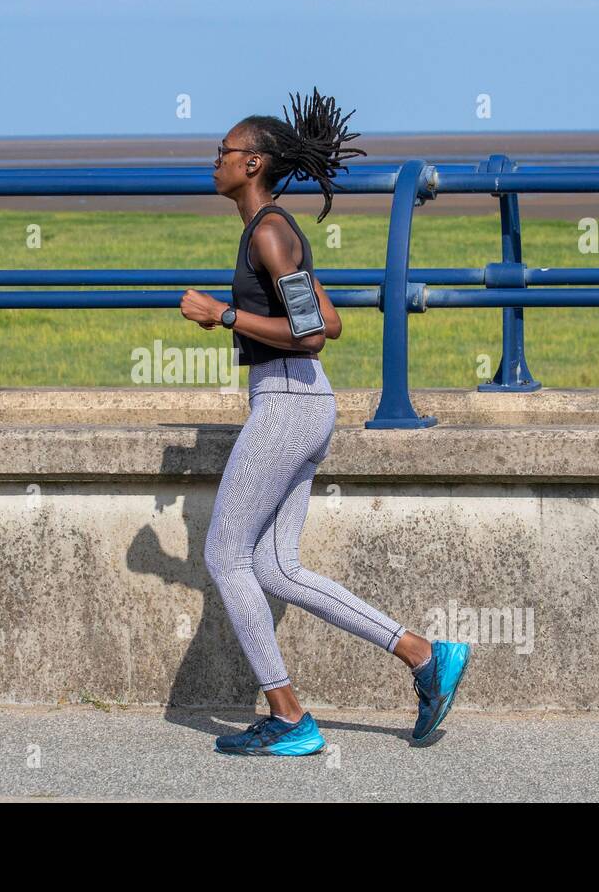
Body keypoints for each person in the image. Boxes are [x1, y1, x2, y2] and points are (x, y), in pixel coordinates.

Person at [179, 89, 469, 756]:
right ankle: (424, 655)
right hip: (303, 403)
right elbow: (330, 319)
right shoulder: (274, 231)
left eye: (222, 152)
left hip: (287, 402)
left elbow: (311, 336)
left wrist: (220, 315)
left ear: (252, 163)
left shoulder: (272, 232)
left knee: (225, 556)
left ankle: (287, 717)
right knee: (276, 569)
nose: (213, 161)